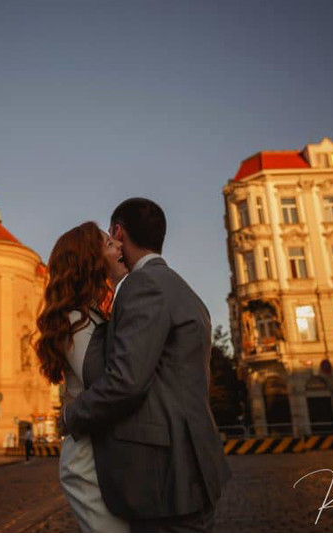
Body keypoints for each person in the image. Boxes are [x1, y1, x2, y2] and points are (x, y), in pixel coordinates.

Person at [64, 198, 232, 532]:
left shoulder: (141, 286)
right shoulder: (185, 291)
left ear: (118, 232)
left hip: (164, 476)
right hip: (194, 466)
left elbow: (126, 381)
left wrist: (71, 414)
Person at [35, 221, 130, 532]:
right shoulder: (75, 318)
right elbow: (106, 382)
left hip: (101, 452)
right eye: (108, 243)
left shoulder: (90, 312)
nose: (119, 245)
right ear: (90, 259)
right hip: (88, 462)